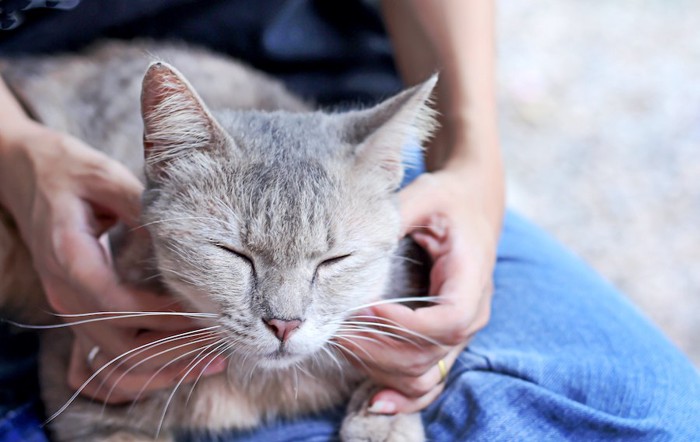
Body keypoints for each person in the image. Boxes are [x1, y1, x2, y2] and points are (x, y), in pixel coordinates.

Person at [0, 1, 698, 441]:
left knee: (653, 415)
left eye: (331, 266)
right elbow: (89, 405)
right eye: (237, 259)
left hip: (346, 127)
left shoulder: (373, 210)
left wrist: (475, 162)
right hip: (38, 138)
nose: (285, 314)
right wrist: (18, 151)